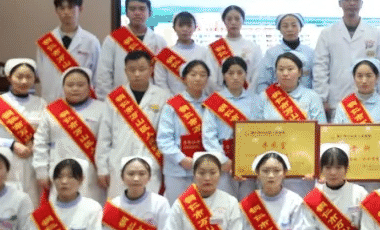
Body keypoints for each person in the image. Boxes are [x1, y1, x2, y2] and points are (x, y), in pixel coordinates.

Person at [96, 50, 170, 200]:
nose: (137, 74)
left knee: (150, 207)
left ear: (151, 69)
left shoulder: (163, 97)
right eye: (132, 70)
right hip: (119, 161)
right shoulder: (115, 98)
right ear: (125, 71)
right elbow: (104, 136)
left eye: (142, 69)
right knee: (119, 207)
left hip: (151, 162)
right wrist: (102, 168)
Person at [32, 67, 107, 204]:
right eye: (70, 85)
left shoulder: (102, 109)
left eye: (80, 85)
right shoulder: (52, 111)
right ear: (63, 87)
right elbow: (40, 143)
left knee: (91, 209)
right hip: (60, 172)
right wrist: (41, 171)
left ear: (89, 86)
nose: (75, 89)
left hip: (92, 175)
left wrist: (104, 170)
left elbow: (106, 142)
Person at [258, 51, 326, 196]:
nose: (285, 73)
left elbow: (321, 133)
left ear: (300, 72)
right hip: (271, 165)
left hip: (302, 165)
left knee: (301, 204)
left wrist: (316, 166)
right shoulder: (264, 97)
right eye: (281, 69)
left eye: (290, 69)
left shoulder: (312, 97)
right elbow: (252, 131)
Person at [0, 58, 45, 194]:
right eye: (19, 77)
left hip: (33, 163)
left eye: (29, 77)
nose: (24, 81)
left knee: (33, 201)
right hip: (5, 163)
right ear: (9, 78)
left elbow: (47, 134)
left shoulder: (41, 103)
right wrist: (12, 144)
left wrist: (35, 144)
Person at [314, 0, 380, 118]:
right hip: (337, 101)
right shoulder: (327, 33)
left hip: (370, 102)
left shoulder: (375, 33)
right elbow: (320, 68)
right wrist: (321, 98)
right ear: (340, 3)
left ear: (361, 3)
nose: (352, 3)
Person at [158, 60, 223, 203]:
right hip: (177, 171)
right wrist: (181, 159)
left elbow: (218, 137)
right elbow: (164, 139)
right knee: (178, 208)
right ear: (184, 78)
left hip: (206, 170)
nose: (198, 78)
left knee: (204, 210)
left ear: (207, 79)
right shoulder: (172, 105)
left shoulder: (212, 105)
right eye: (193, 74)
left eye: (202, 75)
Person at [14, 158, 105, 230]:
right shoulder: (41, 214)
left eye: (70, 177)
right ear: (53, 180)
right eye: (59, 177)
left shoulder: (92, 209)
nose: (64, 181)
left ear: (81, 179)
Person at [161, 151, 245, 230]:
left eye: (213, 173)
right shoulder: (181, 203)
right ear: (194, 174)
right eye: (202, 173)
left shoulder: (231, 202)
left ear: (220, 174)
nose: (207, 178)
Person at [201, 56, 258, 198]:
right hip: (223, 162)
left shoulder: (256, 101)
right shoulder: (215, 101)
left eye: (240, 73)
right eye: (230, 73)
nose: (235, 77)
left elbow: (260, 132)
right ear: (224, 75)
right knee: (225, 203)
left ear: (246, 75)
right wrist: (223, 160)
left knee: (248, 203)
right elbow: (208, 135)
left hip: (249, 160)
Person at [95, 0, 168, 97]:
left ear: (150, 13)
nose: (137, 13)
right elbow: (104, 74)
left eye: (142, 9)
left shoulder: (159, 41)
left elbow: (163, 76)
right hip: (122, 99)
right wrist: (107, 99)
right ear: (127, 13)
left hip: (152, 99)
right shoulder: (113, 40)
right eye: (132, 9)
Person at [301, 144, 367, 230]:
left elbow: (368, 227)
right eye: (328, 168)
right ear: (321, 169)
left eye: (338, 167)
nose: (333, 172)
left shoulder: (359, 193)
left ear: (346, 168)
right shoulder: (312, 198)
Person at [239, 152, 309, 230]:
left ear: (284, 173)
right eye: (265, 171)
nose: (271, 175)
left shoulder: (295, 201)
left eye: (276, 171)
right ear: (258, 173)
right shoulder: (248, 203)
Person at [36, 0, 101, 103]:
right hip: (52, 101)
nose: (66, 12)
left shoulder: (91, 41)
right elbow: (41, 73)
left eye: (71, 8)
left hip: (82, 102)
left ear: (80, 9)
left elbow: (97, 76)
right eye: (62, 8)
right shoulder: (46, 42)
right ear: (56, 11)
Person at [102, 156, 171, 230]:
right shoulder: (113, 206)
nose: (136, 178)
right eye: (131, 174)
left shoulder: (160, 203)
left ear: (149, 177)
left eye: (142, 174)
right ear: (122, 177)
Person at [154, 11, 220, 95]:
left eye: (189, 26)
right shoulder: (165, 55)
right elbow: (160, 83)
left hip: (201, 100)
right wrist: (173, 100)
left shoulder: (205, 52)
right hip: (172, 101)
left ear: (195, 27)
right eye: (181, 25)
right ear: (174, 28)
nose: (185, 29)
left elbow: (211, 79)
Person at [255, 13, 314, 94]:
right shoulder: (271, 53)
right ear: (279, 29)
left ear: (300, 28)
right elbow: (262, 83)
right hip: (278, 100)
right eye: (285, 26)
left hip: (306, 99)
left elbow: (317, 80)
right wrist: (268, 99)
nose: (290, 29)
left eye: (294, 25)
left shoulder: (310, 52)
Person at [332, 59, 380, 124]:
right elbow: (336, 131)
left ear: (377, 77)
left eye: (369, 76)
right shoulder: (343, 106)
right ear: (354, 78)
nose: (364, 81)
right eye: (360, 76)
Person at [209, 5, 262, 75]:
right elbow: (212, 75)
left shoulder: (254, 48)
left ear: (243, 21)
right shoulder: (214, 48)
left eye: (237, 19)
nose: (233, 22)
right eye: (229, 19)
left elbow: (257, 74)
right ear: (224, 21)